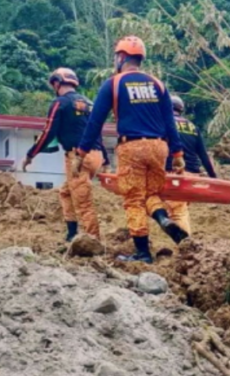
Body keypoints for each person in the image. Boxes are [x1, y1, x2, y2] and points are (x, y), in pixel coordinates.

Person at [77, 35, 186, 264]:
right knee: (151, 193)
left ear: (121, 57)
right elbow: (170, 122)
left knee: (133, 199)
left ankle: (143, 254)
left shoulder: (114, 83)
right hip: (159, 146)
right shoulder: (158, 84)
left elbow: (95, 121)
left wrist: (82, 151)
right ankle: (163, 218)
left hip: (132, 146)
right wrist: (177, 155)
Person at [22, 68, 109, 241]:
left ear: (56, 83)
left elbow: (48, 132)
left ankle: (94, 241)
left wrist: (30, 155)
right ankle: (71, 233)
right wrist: (105, 158)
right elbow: (97, 131)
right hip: (96, 155)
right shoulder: (89, 103)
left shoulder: (59, 103)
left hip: (78, 157)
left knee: (83, 201)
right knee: (66, 192)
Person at [165, 95, 217, 235]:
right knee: (178, 208)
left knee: (177, 212)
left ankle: (186, 245)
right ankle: (178, 243)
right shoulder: (193, 127)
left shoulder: (164, 124)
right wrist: (214, 177)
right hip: (192, 175)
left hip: (174, 174)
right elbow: (203, 155)